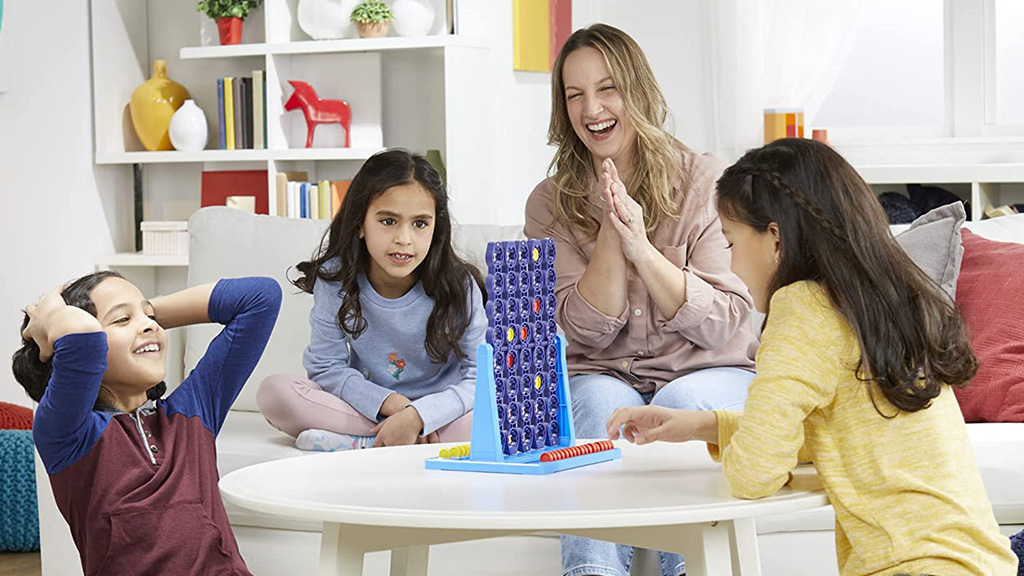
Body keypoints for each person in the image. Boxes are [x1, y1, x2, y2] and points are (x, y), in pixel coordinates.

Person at [607, 138, 1019, 576]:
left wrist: (740, 447)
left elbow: (754, 475)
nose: (732, 266)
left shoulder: (802, 308)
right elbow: (834, 434)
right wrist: (701, 426)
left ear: (775, 238)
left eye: (730, 243)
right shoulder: (885, 300)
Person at [524, 23, 758, 576]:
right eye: (575, 94)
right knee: (595, 411)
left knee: (677, 406)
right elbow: (580, 331)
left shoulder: (705, 181)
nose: (592, 108)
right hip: (602, 372)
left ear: (638, 92)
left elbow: (725, 322)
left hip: (710, 369)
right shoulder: (548, 204)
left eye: (608, 89)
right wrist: (609, 229)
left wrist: (641, 247)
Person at [14, 271, 281, 575]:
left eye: (151, 317)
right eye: (121, 320)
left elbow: (261, 297)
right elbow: (82, 339)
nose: (151, 325)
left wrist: (143, 315)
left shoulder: (192, 414)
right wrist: (51, 315)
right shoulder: (67, 435)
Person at [257, 149, 487, 451]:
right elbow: (326, 368)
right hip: (369, 406)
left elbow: (480, 377)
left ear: (436, 228)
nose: (404, 238)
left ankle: (366, 443)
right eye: (389, 221)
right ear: (360, 223)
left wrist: (420, 416)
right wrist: (395, 407)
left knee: (504, 410)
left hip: (443, 413)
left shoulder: (459, 284)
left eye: (419, 224)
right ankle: (390, 438)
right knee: (274, 393)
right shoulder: (335, 279)